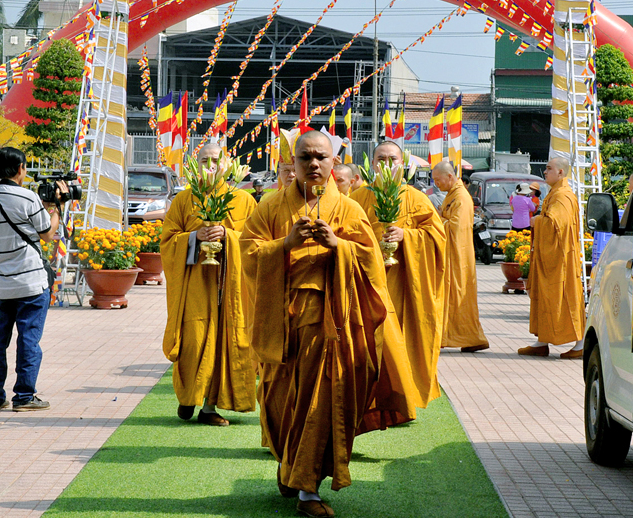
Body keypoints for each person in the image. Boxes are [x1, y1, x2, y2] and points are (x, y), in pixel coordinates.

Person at [240, 130, 394, 518]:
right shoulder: (270, 207)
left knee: (319, 402)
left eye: (321, 157)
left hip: (328, 323)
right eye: (305, 157)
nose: (313, 164)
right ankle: (289, 465)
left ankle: (307, 488)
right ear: (292, 163)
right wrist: (285, 245)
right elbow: (247, 255)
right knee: (279, 402)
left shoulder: (350, 210)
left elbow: (372, 263)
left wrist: (339, 246)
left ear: (333, 163)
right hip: (279, 319)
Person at [161, 143, 257, 426]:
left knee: (225, 342)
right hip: (195, 285)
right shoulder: (184, 199)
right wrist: (194, 237)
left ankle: (208, 407)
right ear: (195, 165)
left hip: (230, 285)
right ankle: (188, 396)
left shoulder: (243, 200)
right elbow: (167, 241)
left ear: (227, 165)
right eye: (204, 160)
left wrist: (227, 234)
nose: (210, 166)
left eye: (216, 160)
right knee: (193, 340)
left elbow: (254, 240)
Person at [350, 141, 446, 409]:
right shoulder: (358, 199)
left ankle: (405, 395)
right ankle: (367, 398)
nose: (386, 164)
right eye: (380, 159)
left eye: (392, 159)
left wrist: (407, 236)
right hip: (367, 282)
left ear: (402, 164)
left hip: (404, 284)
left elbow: (437, 238)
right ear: (372, 164)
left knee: (402, 338)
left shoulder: (416, 198)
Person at [0, 147, 64, 412]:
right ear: (20, 168)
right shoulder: (28, 197)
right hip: (30, 283)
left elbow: (19, 223)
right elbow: (47, 234)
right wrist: (58, 208)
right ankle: (25, 396)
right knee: (28, 340)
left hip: (1, 284)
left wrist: (42, 208)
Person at [519, 157, 586, 358]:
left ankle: (580, 344)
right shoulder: (555, 193)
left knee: (565, 299)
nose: (545, 172)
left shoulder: (563, 196)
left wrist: (537, 221)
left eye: (549, 169)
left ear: (561, 172)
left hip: (560, 260)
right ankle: (542, 342)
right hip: (551, 258)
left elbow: (557, 226)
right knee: (546, 298)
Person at [432, 162, 489, 353]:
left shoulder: (461, 197)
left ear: (450, 176)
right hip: (451, 254)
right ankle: (460, 337)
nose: (436, 184)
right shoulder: (452, 194)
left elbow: (455, 228)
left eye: (438, 180)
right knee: (451, 297)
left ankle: (471, 338)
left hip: (458, 256)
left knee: (458, 297)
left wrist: (438, 218)